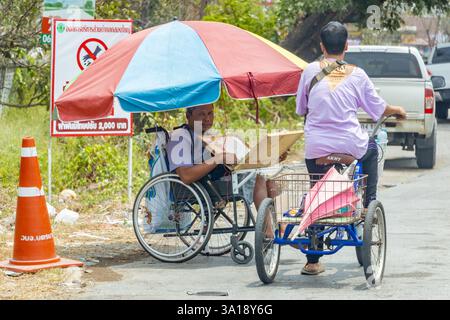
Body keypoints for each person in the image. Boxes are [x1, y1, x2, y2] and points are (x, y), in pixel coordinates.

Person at [295, 21, 406, 275]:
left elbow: (301, 109)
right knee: (372, 150)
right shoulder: (356, 74)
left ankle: (312, 261)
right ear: (346, 46)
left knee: (316, 193)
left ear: (321, 46)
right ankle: (368, 203)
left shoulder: (309, 71)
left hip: (317, 149)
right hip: (349, 146)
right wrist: (397, 110)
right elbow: (378, 108)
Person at [166, 103, 280, 211]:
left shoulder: (207, 135)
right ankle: (267, 230)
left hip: (215, 179)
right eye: (202, 114)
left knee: (269, 178)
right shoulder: (180, 136)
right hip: (197, 186)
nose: (207, 119)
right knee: (259, 178)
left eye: (210, 113)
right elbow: (186, 176)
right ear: (188, 115)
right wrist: (219, 158)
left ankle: (276, 226)